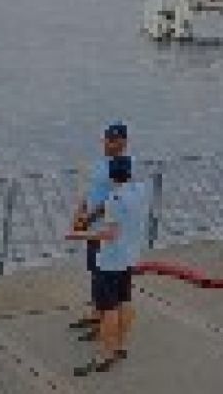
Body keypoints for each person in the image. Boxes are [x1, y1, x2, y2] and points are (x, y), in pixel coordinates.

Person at [68, 154, 147, 375]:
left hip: (110, 260)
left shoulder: (114, 200)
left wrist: (78, 235)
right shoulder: (140, 191)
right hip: (129, 257)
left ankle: (105, 354)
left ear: (111, 177)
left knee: (108, 309)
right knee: (125, 301)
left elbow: (110, 234)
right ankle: (120, 346)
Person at [70, 123, 129, 340]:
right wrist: (79, 214)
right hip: (92, 230)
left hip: (104, 231)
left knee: (105, 279)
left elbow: (113, 200)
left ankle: (104, 323)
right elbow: (90, 192)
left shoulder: (122, 167)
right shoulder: (100, 164)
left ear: (123, 142)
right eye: (106, 140)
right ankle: (96, 314)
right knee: (95, 273)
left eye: (113, 140)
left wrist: (89, 218)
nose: (108, 144)